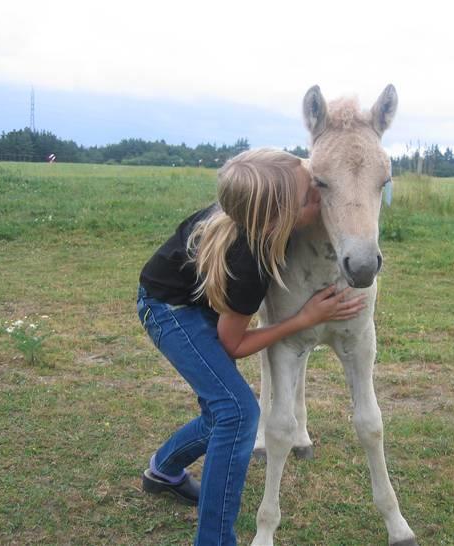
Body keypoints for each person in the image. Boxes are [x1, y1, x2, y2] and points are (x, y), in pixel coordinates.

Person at [136, 148, 366, 546]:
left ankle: (164, 470)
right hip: (168, 310)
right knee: (237, 412)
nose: (317, 195)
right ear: (277, 219)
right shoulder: (253, 260)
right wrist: (302, 320)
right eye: (307, 196)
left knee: (220, 411)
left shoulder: (259, 217)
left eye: (312, 182)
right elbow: (234, 344)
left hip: (196, 304)